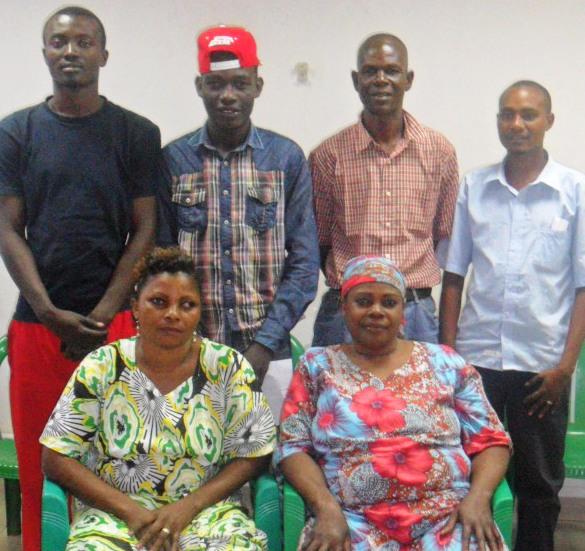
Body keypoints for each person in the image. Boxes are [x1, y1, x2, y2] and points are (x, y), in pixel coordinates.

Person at [0, 6, 160, 549]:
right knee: (40, 463)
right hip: (36, 327)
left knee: (123, 463)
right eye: (59, 41)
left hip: (115, 327)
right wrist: (49, 312)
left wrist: (100, 315)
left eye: (84, 42)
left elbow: (144, 229)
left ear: (103, 55)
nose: (71, 51)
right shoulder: (15, 132)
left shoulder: (136, 133)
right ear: (45, 53)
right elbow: (8, 228)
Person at [41, 247, 276, 550]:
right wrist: (132, 512)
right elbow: (56, 457)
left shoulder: (227, 366)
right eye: (159, 302)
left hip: (207, 513)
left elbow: (256, 453)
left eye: (187, 304)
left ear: (199, 312)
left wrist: (188, 507)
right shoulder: (102, 366)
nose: (173, 314)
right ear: (135, 307)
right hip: (114, 515)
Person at [276, 256, 511, 550]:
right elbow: (293, 448)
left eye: (389, 302)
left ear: (403, 313)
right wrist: (325, 508)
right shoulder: (316, 366)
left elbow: (490, 439)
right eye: (363, 301)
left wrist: (478, 498)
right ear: (344, 307)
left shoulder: (446, 362)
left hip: (446, 518)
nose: (376, 311)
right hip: (349, 521)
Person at [440, 81, 585, 551]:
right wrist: (448, 359)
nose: (516, 124)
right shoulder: (474, 187)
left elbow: (583, 287)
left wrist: (566, 368)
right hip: (476, 362)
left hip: (542, 367)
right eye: (507, 114)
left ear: (549, 121)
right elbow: (454, 276)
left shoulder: (574, 191)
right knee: (466, 472)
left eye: (528, 115)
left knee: (539, 483)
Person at [158, 26, 318, 417]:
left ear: (257, 86)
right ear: (200, 86)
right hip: (189, 349)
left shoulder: (285, 159)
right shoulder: (174, 160)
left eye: (239, 83)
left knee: (267, 450)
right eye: (216, 84)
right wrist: (184, 338)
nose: (227, 95)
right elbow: (160, 262)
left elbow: (304, 263)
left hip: (268, 350)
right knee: (192, 449)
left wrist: (264, 344)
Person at [310, 33, 459, 347]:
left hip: (415, 312)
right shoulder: (328, 155)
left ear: (408, 79)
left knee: (421, 384)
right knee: (336, 383)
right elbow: (319, 242)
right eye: (370, 71)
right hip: (347, 312)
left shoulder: (439, 151)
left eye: (391, 71)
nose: (381, 80)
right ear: (356, 80)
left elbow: (441, 237)